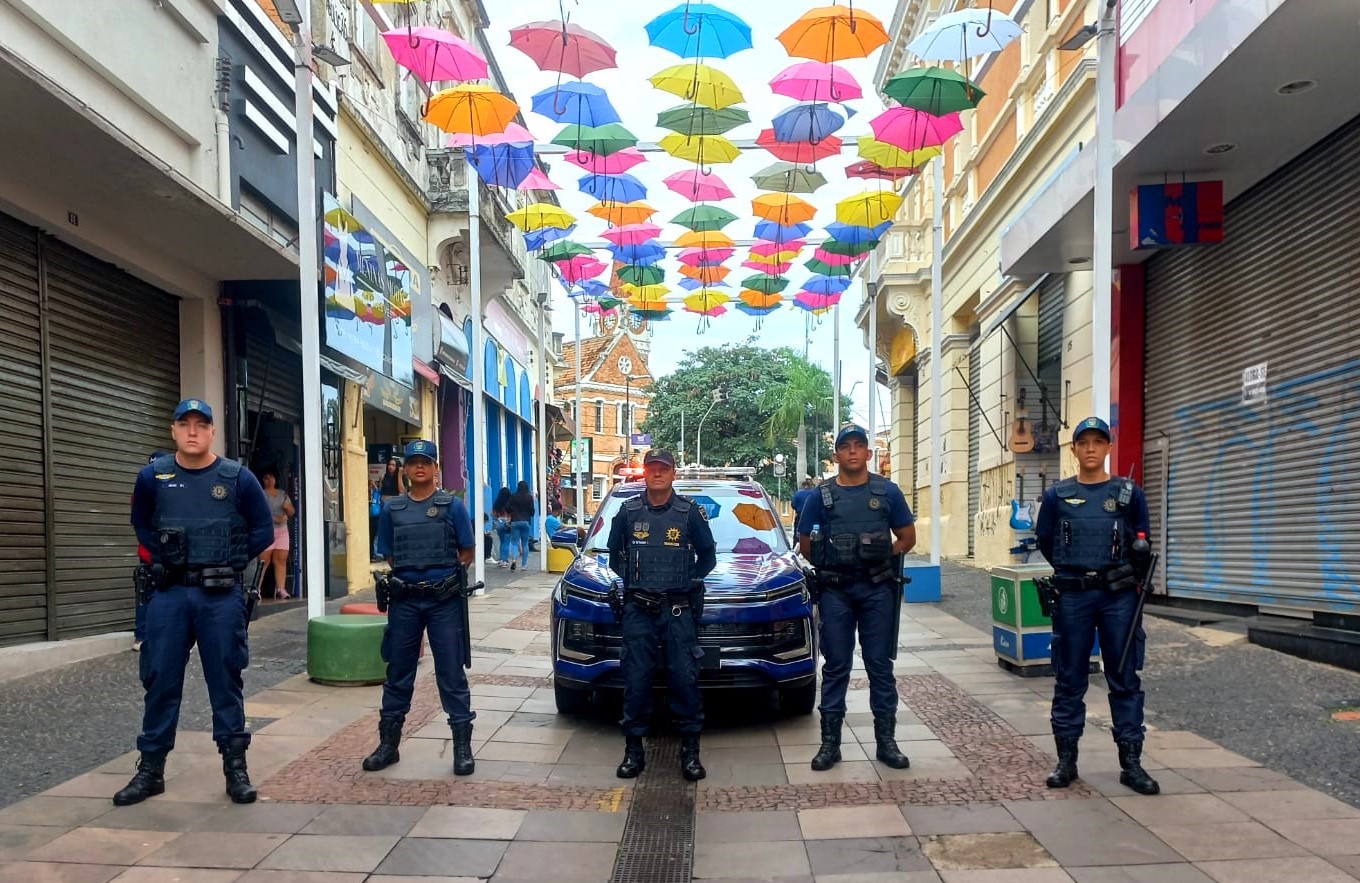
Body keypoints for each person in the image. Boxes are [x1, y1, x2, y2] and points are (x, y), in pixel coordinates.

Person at [117, 399, 273, 806]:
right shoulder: (153, 476)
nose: (192, 431)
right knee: (160, 679)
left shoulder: (238, 478)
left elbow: (262, 530)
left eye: (200, 425)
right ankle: (151, 771)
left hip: (220, 597)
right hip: (169, 594)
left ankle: (235, 768)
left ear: (212, 432)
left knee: (226, 679)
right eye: (184, 424)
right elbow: (141, 523)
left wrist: (233, 560)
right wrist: (166, 560)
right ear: (172, 431)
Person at [1035, 417, 1159, 795]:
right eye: (1083, 442)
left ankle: (1132, 764)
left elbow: (1143, 540)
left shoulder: (1128, 493)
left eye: (1098, 442)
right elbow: (1045, 540)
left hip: (1118, 598)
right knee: (1069, 678)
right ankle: (1066, 761)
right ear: (1073, 449)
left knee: (1124, 677)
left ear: (1108, 447)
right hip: (1074, 595)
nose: (1090, 448)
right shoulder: (1057, 495)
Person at [798, 425, 916, 772]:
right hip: (836, 591)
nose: (852, 452)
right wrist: (833, 562)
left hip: (877, 589)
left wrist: (880, 558)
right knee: (835, 667)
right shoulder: (822, 496)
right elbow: (806, 543)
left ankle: (886, 743)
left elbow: (907, 537)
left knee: (880, 666)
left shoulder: (887, 492)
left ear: (868, 453)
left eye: (858, 446)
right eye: (845, 447)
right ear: (836, 455)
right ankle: (830, 744)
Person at [363, 440, 479, 777]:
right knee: (398, 672)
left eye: (425, 463)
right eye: (413, 462)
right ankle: (388, 745)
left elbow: (467, 552)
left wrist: (442, 579)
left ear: (435, 468)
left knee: (451, 673)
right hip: (405, 602)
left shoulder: (451, 506)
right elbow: (389, 553)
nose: (419, 468)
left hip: (443, 602)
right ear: (406, 468)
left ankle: (462, 747)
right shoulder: (393, 509)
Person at [606, 450, 717, 781]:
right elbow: (615, 557)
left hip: (677, 610)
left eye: (663, 469)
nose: (657, 474)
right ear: (645, 473)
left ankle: (690, 752)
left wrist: (686, 579)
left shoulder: (690, 513)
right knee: (636, 680)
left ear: (673, 474)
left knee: (685, 679)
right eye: (652, 468)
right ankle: (633, 751)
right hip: (638, 610)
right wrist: (637, 581)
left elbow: (708, 556)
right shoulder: (627, 512)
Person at [259, 467, 296, 601]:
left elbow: (291, 511)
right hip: (267, 530)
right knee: (264, 560)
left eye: (271, 477)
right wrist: (275, 518)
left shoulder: (282, 494)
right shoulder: (260, 494)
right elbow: (259, 512)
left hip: (282, 530)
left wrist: (287, 510)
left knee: (280, 560)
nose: (269, 480)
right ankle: (256, 588)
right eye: (266, 478)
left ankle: (281, 589)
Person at [507, 480, 535, 571]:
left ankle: (514, 560)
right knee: (525, 543)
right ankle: (524, 565)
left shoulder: (513, 496)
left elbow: (507, 507)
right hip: (526, 522)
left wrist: (512, 511)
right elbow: (532, 511)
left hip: (515, 521)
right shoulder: (529, 497)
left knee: (514, 543)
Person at [492, 486, 514, 568]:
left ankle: (501, 559)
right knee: (506, 543)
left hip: (499, 523)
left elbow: (493, 513)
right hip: (507, 523)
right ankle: (505, 560)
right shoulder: (510, 503)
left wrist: (498, 518)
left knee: (502, 542)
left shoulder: (497, 503)